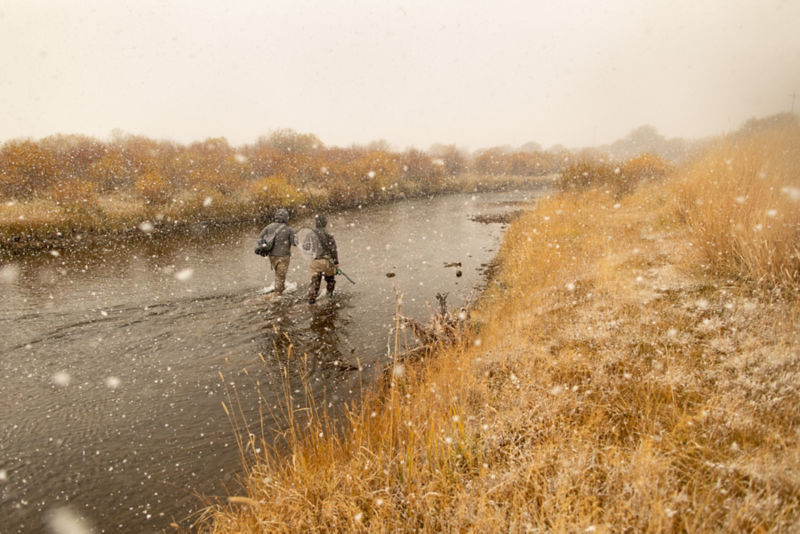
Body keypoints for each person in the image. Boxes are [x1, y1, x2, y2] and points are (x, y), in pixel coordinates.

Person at [257, 208, 297, 294]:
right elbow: (295, 243)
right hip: (283, 257)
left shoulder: (268, 227)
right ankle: (277, 296)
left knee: (278, 275)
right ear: (286, 218)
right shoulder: (289, 229)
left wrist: (264, 245)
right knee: (280, 277)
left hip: (272, 257)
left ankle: (278, 290)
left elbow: (260, 238)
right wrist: (294, 235)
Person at [307, 213, 339, 304]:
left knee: (315, 280)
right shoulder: (328, 234)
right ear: (325, 222)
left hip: (315, 261)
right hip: (327, 261)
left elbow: (305, 247)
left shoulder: (310, 234)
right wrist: (336, 262)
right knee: (330, 279)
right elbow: (333, 249)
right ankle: (330, 295)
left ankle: (312, 298)